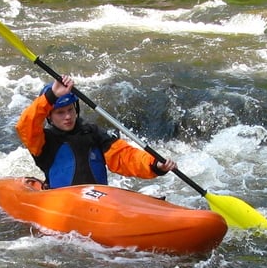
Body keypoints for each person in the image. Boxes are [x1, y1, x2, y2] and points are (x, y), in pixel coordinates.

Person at [16, 75, 176, 189]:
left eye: (70, 110)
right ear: (49, 116)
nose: (68, 117)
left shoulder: (92, 133)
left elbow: (125, 157)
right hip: (62, 203)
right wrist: (51, 96)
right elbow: (25, 125)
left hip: (98, 203)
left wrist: (155, 164)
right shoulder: (43, 141)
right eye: (60, 112)